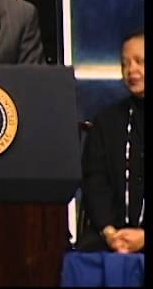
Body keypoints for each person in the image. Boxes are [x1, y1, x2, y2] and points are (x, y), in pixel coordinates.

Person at [78, 31, 144, 253]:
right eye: (125, 64)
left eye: (140, 61)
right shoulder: (107, 121)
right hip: (111, 238)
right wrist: (110, 233)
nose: (131, 70)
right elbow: (94, 181)